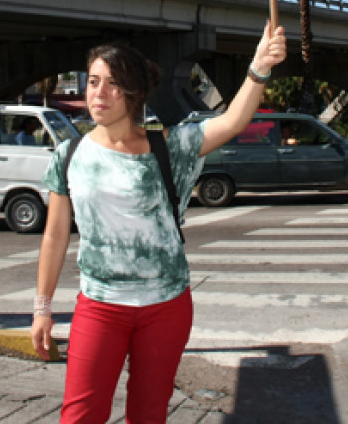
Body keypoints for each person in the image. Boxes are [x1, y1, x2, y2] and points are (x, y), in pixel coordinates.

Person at [30, 22, 287, 423]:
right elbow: (55, 235)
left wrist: (259, 66)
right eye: (94, 81)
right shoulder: (69, 155)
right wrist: (42, 308)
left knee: (149, 415)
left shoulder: (169, 147)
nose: (99, 92)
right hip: (100, 306)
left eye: (113, 83)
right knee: (79, 415)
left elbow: (233, 122)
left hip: (166, 307)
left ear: (134, 93)